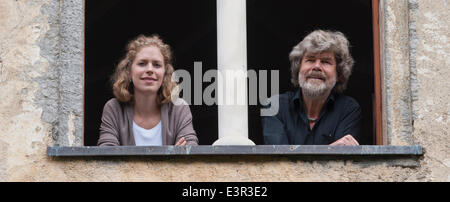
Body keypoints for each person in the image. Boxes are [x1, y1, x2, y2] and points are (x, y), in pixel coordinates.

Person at [262, 30, 361, 145]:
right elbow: (279, 160)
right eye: (310, 60)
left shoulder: (348, 109)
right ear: (298, 68)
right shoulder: (274, 106)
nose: (317, 67)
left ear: (338, 73)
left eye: (325, 62)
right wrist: (331, 150)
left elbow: (343, 160)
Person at [97, 34, 198, 146]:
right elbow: (106, 156)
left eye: (157, 65)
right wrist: (173, 158)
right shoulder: (114, 109)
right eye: (142, 63)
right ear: (129, 71)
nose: (150, 69)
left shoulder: (178, 108)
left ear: (165, 73)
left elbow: (190, 152)